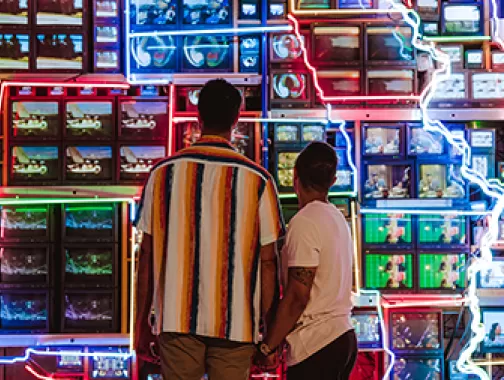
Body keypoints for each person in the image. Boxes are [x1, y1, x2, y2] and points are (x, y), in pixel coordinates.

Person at [134, 79, 285, 380]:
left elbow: (146, 257)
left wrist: (140, 325)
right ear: (237, 119)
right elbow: (268, 263)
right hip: (236, 324)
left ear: (198, 117)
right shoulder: (259, 181)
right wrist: (271, 335)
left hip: (176, 322)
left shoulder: (162, 174)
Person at [258, 142, 357, 380]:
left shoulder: (305, 222)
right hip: (343, 335)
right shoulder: (338, 218)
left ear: (295, 177)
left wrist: (268, 346)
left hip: (317, 344)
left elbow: (297, 297)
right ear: (333, 182)